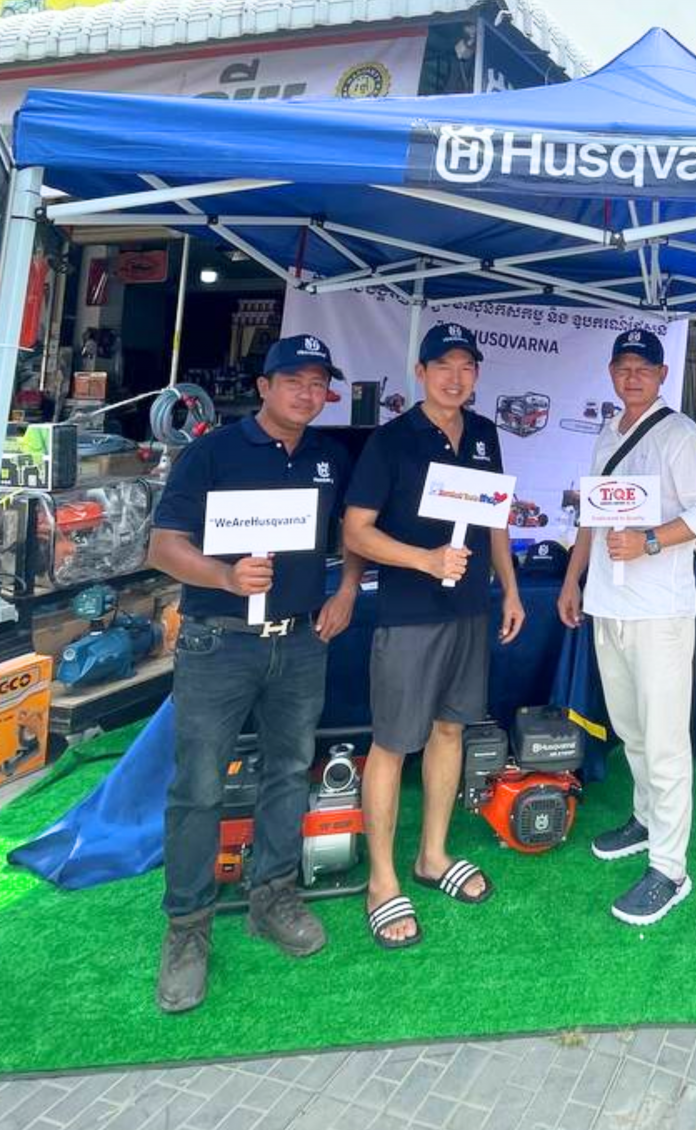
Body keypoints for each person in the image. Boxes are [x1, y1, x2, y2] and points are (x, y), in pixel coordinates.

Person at [148, 334, 362, 1014]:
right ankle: (187, 928)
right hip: (219, 642)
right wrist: (226, 576)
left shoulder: (329, 457)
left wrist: (346, 589)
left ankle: (273, 896)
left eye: (318, 382)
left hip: (300, 642)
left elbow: (352, 533)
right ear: (264, 387)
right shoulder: (212, 452)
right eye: (293, 380)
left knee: (289, 772)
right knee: (199, 787)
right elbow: (163, 547)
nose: (307, 393)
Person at [343, 322, 524, 948]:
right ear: (420, 372)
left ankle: (433, 855)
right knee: (393, 743)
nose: (455, 378)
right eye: (443, 366)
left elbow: (495, 520)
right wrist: (423, 560)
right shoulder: (390, 440)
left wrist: (510, 589)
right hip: (409, 614)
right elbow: (356, 532)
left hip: (469, 610)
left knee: (451, 729)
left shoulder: (485, 434)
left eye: (466, 367)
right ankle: (382, 880)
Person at [557, 329, 696, 926]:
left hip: (659, 611)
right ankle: (647, 818)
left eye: (643, 368)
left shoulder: (679, 434)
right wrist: (573, 580)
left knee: (664, 740)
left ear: (661, 375)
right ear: (611, 373)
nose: (632, 377)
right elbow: (591, 515)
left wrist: (651, 540)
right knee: (630, 729)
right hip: (610, 605)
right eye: (623, 367)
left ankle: (670, 869)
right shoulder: (608, 432)